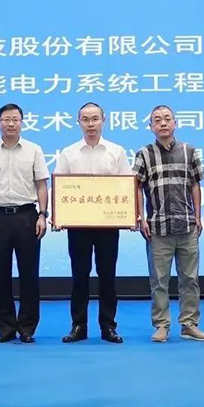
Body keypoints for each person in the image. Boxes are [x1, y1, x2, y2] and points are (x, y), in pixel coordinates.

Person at [133, 105, 204, 343]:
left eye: (167, 119)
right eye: (157, 120)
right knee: (159, 281)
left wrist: (198, 216)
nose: (163, 123)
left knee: (190, 279)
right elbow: (136, 187)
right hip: (157, 227)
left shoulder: (189, 151)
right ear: (151, 127)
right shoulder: (144, 154)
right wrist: (140, 217)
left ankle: (189, 324)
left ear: (175, 123)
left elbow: (196, 184)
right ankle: (161, 325)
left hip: (187, 225)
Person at [0, 103, 49, 343]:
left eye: (15, 119)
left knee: (29, 275)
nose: (11, 124)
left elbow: (41, 184)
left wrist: (42, 215)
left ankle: (27, 328)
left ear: (22, 122)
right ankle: (5, 327)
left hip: (27, 216)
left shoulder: (34, 150)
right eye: (6, 119)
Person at [53, 102, 129, 344]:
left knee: (108, 276)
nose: (91, 124)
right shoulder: (69, 153)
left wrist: (129, 215)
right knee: (79, 277)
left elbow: (127, 186)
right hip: (78, 226)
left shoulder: (116, 152)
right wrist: (58, 216)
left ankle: (108, 326)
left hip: (108, 225)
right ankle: (79, 326)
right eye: (85, 119)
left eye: (95, 118)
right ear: (79, 123)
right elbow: (60, 188)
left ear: (103, 120)